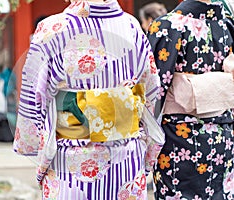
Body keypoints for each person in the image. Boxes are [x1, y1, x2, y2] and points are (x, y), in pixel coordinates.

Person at [13, 0, 164, 199]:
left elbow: (34, 94)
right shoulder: (132, 26)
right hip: (126, 158)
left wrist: (32, 142)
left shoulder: (51, 28)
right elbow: (151, 90)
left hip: (71, 157)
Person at [147, 0, 234, 199]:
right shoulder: (227, 24)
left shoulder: (168, 26)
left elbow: (152, 92)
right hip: (224, 138)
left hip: (181, 139)